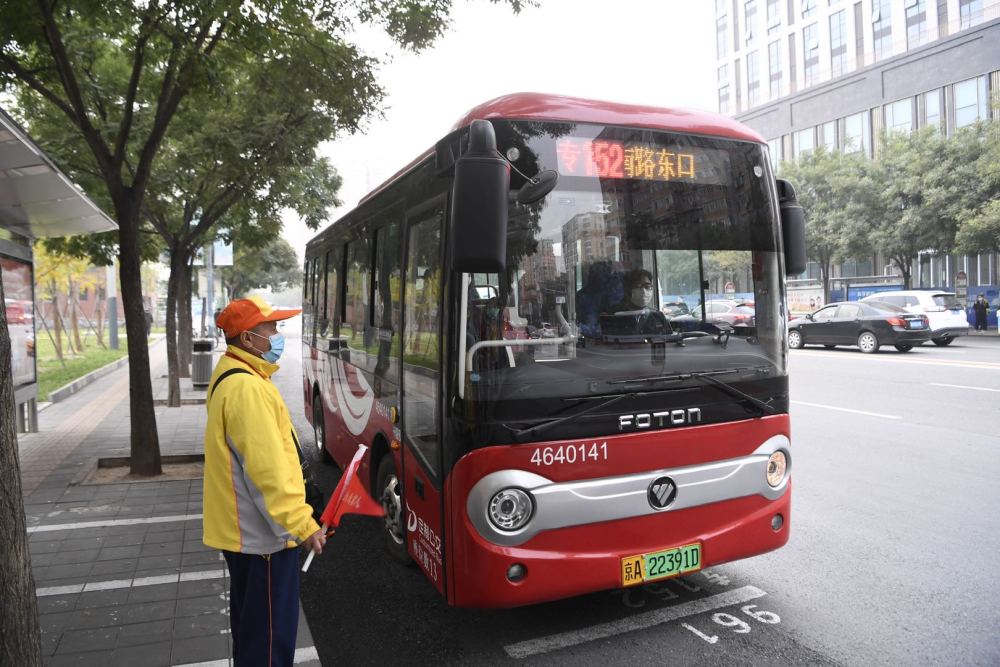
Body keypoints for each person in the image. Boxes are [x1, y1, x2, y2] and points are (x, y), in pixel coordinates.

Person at [204, 295, 326, 666]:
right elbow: (268, 472)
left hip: (247, 536)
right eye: (270, 328)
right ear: (247, 339)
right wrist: (303, 525)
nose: (277, 334)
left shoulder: (234, 374)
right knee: (269, 645)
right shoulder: (247, 389)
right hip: (264, 541)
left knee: (253, 634)